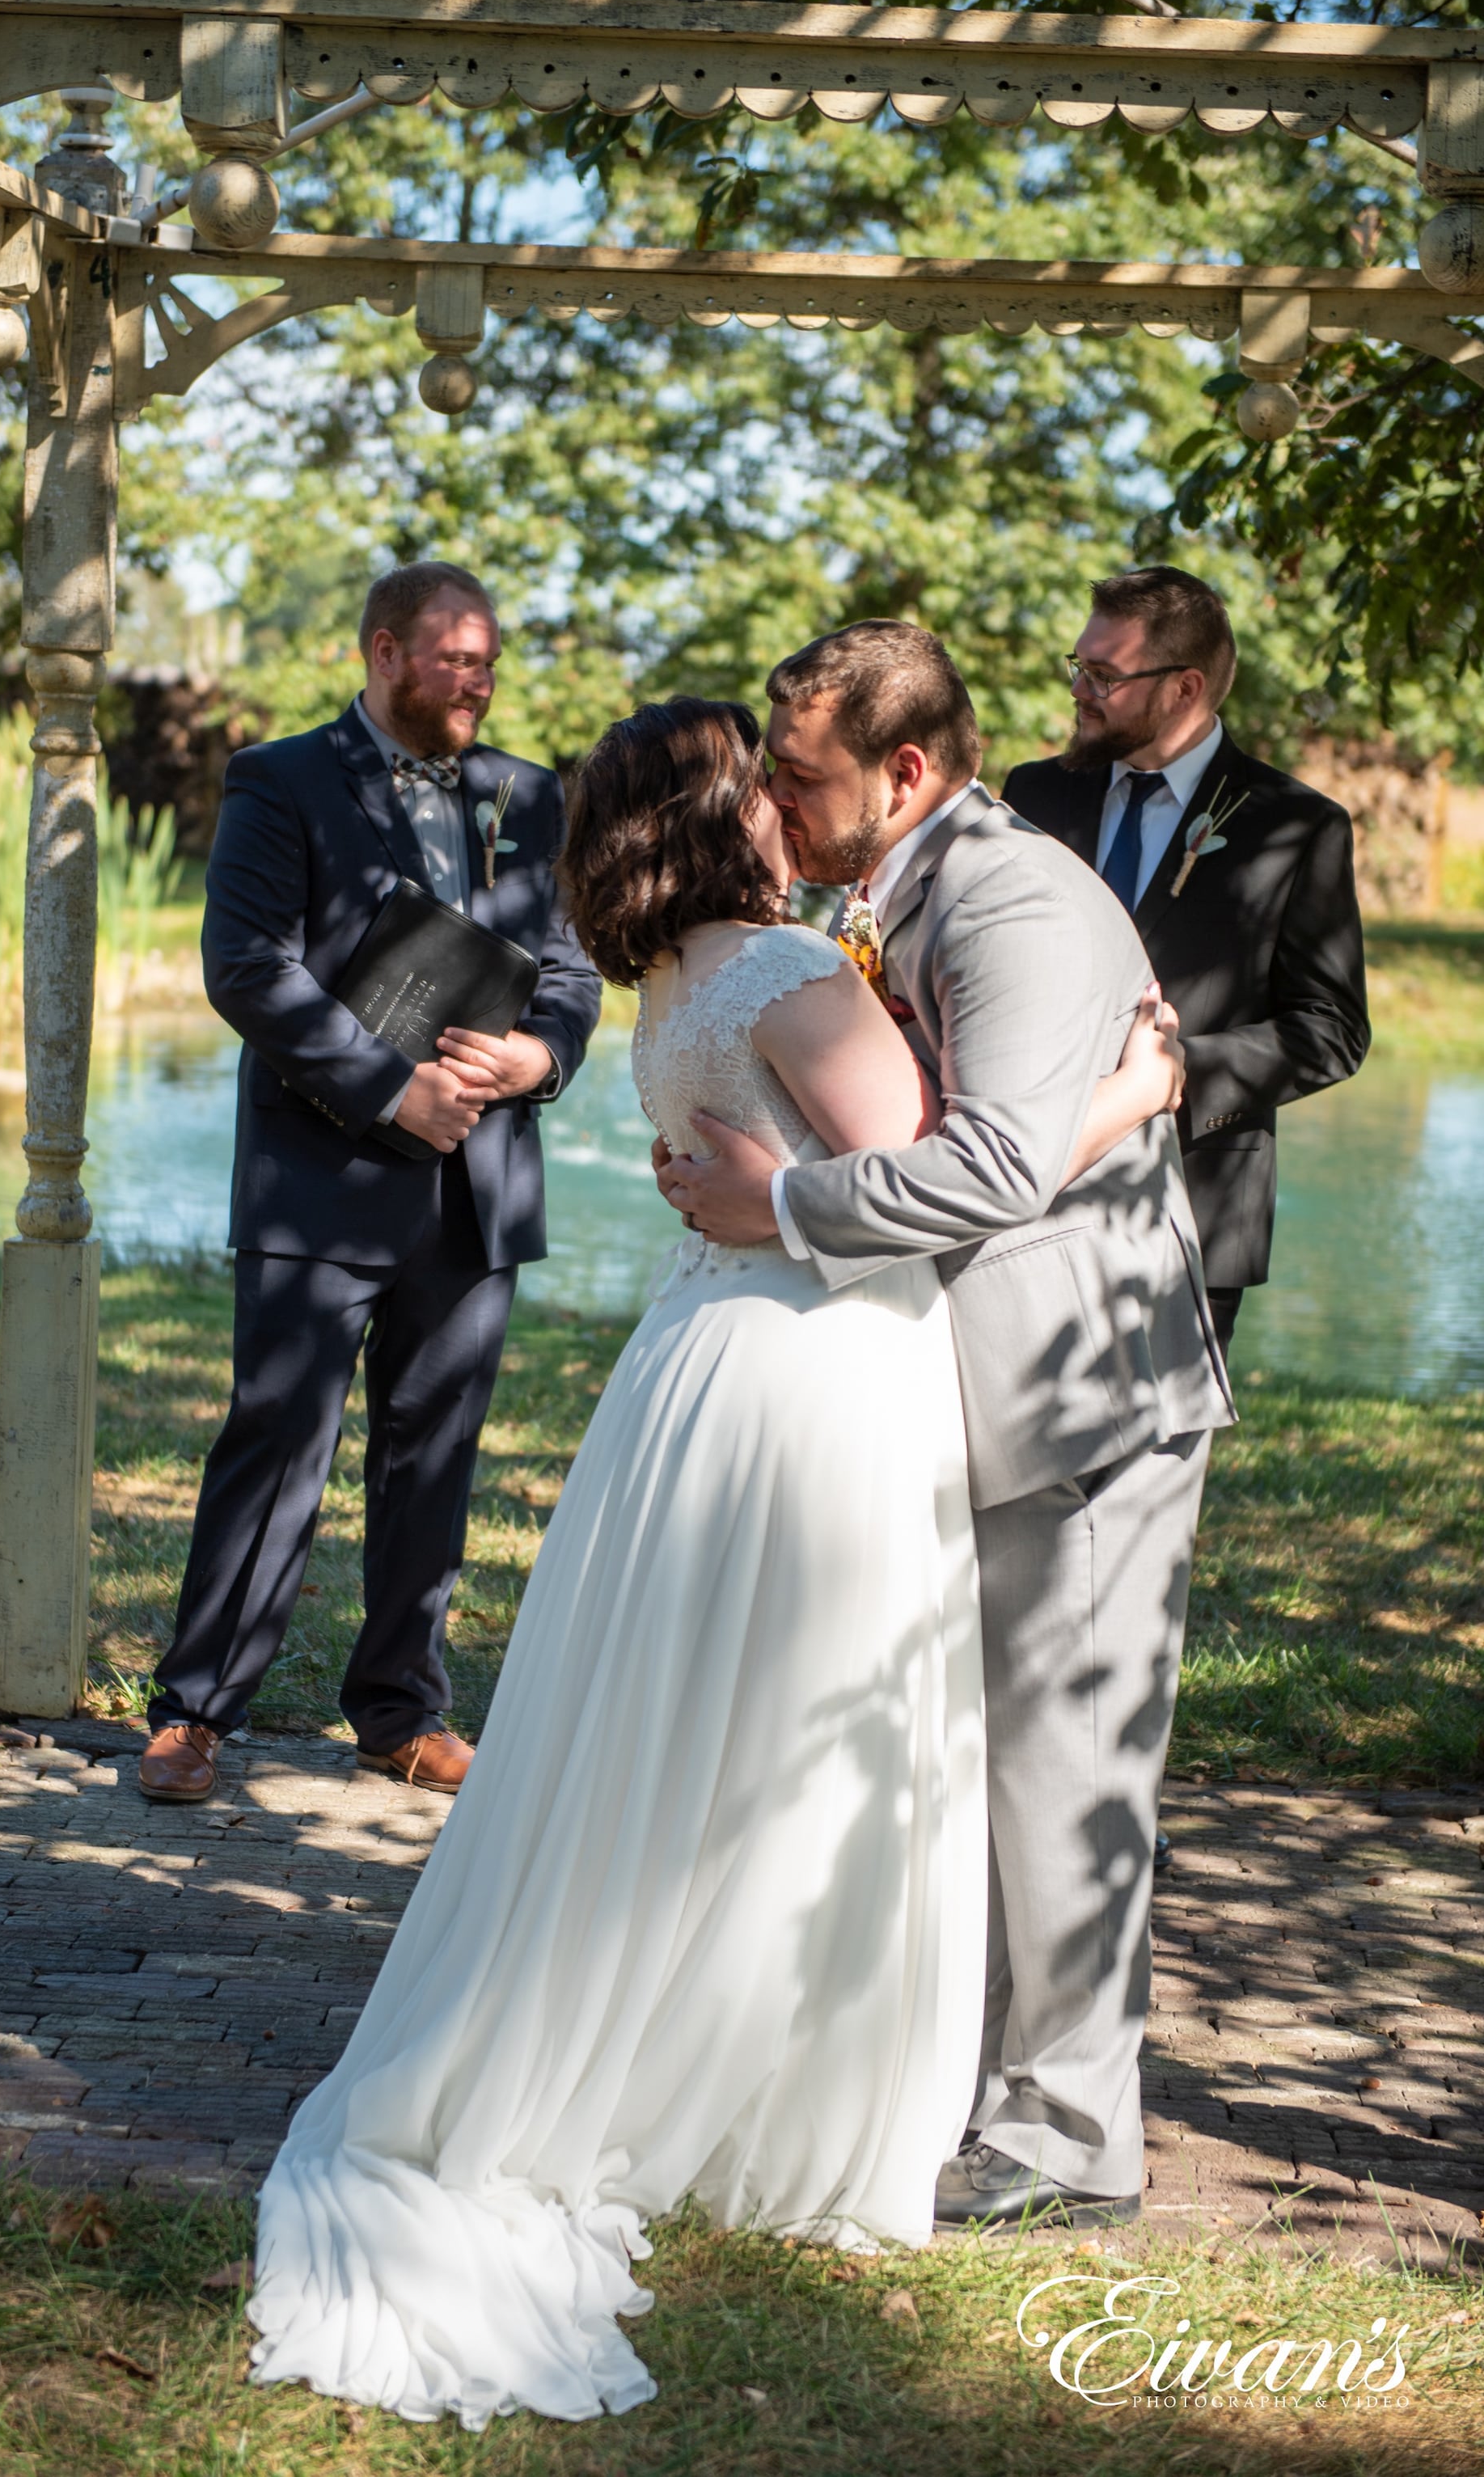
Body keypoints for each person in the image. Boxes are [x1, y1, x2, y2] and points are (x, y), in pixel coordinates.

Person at [246, 697, 1186, 2426]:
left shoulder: (673, 976)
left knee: (696, 1728)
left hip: (711, 1364)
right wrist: (1125, 1087)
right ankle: (768, 2087)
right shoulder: (787, 971)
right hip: (815, 1373)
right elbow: (939, 1171)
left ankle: (693, 2034)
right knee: (801, 1740)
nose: (785, 793)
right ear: (722, 806)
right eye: (763, 774)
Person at [659, 623, 1235, 2234]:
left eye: (803, 768)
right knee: (964, 1767)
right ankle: (959, 2078)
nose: (776, 790)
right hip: (964, 1392)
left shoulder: (1012, 899)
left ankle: (1070, 2138)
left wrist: (785, 1206)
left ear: (904, 768)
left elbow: (990, 1165)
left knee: (1065, 1778)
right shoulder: (884, 892)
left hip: (1079, 1399)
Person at [136, 561, 600, 1806]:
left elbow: (571, 968)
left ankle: (401, 1711)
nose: (477, 679)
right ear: (384, 652)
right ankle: (196, 1715)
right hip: (322, 1180)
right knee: (280, 1438)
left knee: (433, 1452)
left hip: (478, 1183)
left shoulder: (528, 796)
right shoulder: (280, 780)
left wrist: (538, 1055)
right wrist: (392, 1089)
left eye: (488, 661)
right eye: (454, 659)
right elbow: (245, 967)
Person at [1003, 565, 1372, 1355]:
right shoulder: (1031, 797)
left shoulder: (1296, 828)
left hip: (1191, 1200)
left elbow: (1330, 1028)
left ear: (1184, 687)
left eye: (1103, 674)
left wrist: (1174, 1072)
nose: (1079, 690)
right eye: (1078, 667)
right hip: (1024, 1186)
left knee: (1153, 1471)